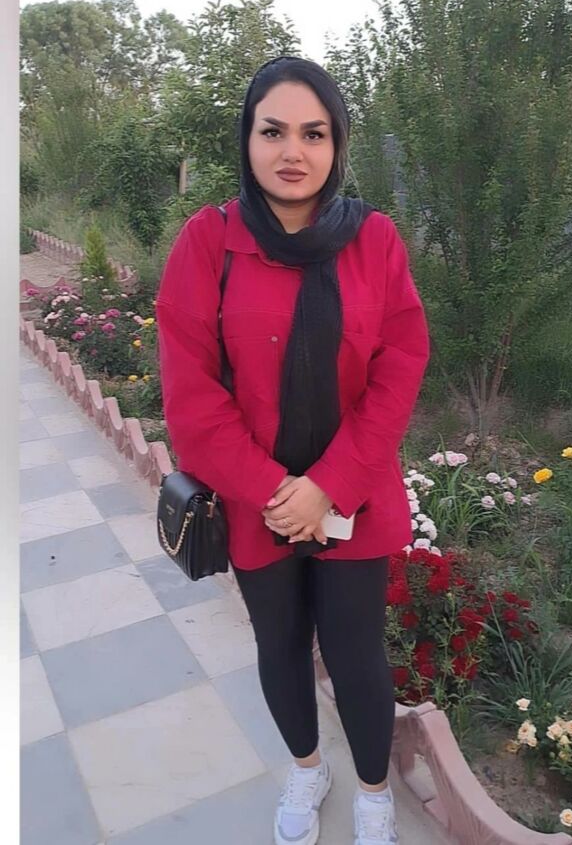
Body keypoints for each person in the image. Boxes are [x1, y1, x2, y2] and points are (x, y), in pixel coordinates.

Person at [156, 56, 430, 845]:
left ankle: (373, 790)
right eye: (273, 131)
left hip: (355, 497)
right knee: (278, 645)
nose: (292, 151)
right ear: (247, 138)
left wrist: (330, 485)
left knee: (355, 652)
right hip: (256, 504)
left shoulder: (374, 240)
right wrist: (282, 492)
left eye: (313, 134)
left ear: (335, 144)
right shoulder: (208, 243)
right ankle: (308, 768)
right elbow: (191, 394)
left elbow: (400, 366)